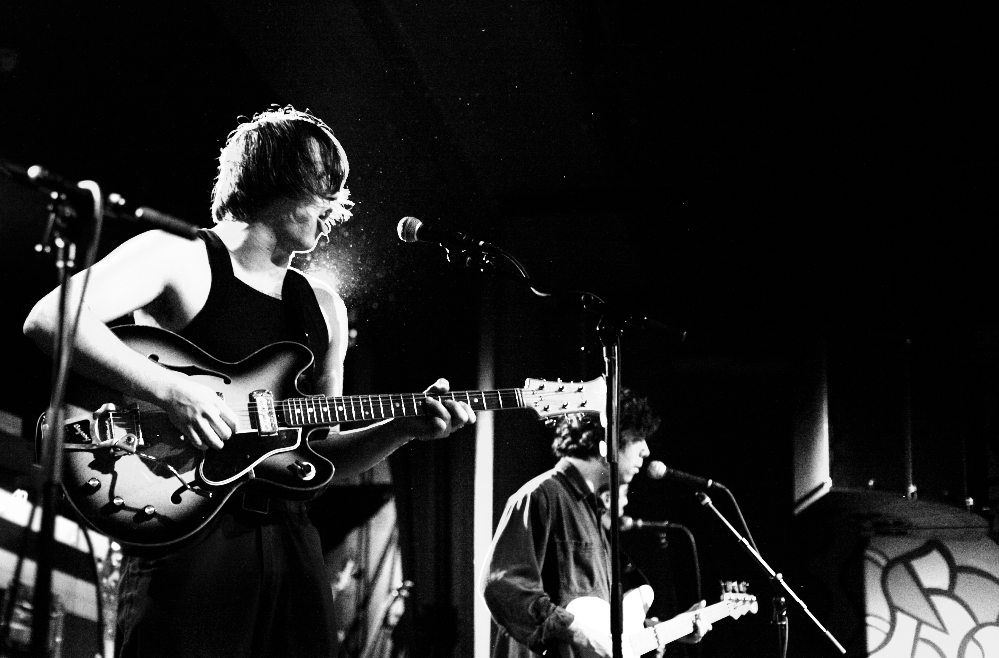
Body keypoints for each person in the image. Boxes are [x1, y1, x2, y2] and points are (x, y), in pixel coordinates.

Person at [22, 105, 476, 658]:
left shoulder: (325, 307)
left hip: (291, 543)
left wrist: (400, 430)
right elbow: (52, 318)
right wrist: (169, 390)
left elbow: (320, 454)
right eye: (322, 184)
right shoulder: (181, 256)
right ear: (273, 174)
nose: (335, 205)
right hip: (184, 530)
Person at [480, 389, 709, 658]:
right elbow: (504, 588)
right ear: (605, 441)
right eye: (637, 438)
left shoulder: (594, 513)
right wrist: (579, 633)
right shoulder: (542, 495)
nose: (646, 451)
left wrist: (660, 631)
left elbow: (598, 622)